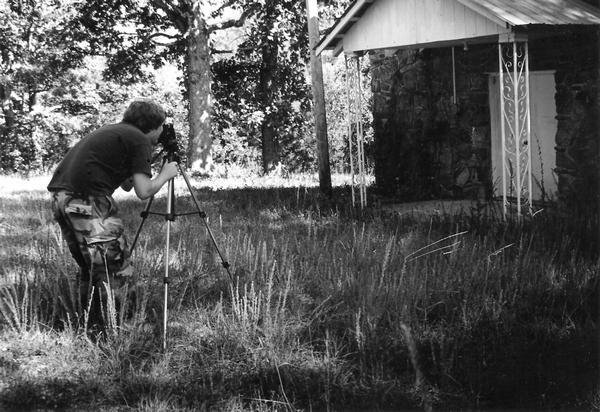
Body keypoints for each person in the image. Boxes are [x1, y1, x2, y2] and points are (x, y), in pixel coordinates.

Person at [47, 99, 178, 335]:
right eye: (162, 127)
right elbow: (143, 191)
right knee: (115, 268)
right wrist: (166, 174)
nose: (162, 133)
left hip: (61, 199)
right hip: (89, 201)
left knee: (92, 267)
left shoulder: (114, 131)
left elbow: (127, 184)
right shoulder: (138, 139)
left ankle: (89, 321)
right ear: (155, 125)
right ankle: (130, 328)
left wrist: (150, 162)